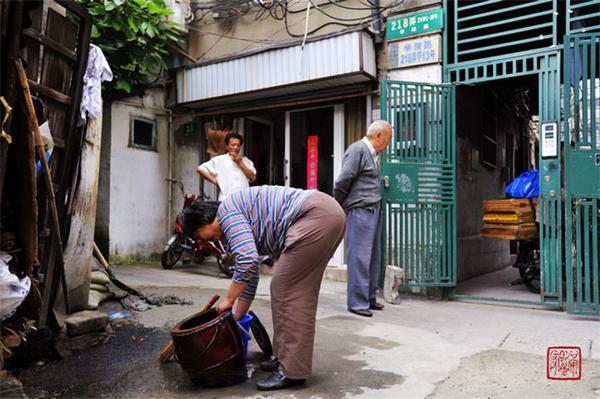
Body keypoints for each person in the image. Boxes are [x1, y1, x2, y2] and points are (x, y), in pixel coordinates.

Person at [182, 186, 346, 391]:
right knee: (293, 291)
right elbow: (250, 274)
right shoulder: (234, 219)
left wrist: (229, 299)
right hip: (325, 214)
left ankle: (292, 372)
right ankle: (285, 360)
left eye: (199, 235)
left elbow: (248, 260)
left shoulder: (227, 213)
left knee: (285, 290)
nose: (203, 241)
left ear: (205, 219)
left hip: (314, 216)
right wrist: (237, 317)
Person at [333, 120, 392, 318]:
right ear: (379, 136)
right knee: (359, 257)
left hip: (373, 209)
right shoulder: (357, 150)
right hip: (360, 210)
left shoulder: (372, 154)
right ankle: (357, 303)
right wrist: (337, 204)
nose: (389, 144)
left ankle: (369, 298)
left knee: (374, 256)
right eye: (389, 139)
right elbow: (343, 179)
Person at [197, 132, 256, 200]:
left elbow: (253, 178)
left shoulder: (246, 161)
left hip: (244, 200)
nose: (236, 147)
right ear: (227, 146)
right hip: (226, 199)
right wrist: (216, 182)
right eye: (233, 145)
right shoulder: (220, 160)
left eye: (238, 145)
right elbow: (200, 169)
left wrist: (240, 163)